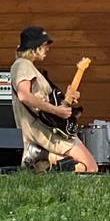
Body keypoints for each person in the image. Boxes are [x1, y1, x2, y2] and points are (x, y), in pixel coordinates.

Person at [10, 26, 97, 173]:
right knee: (90, 167)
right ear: (34, 47)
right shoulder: (22, 65)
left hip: (47, 128)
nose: (48, 49)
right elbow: (24, 95)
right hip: (44, 131)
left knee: (88, 167)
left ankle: (42, 160)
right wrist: (57, 110)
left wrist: (66, 100)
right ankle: (42, 158)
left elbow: (45, 102)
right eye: (45, 45)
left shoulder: (30, 67)